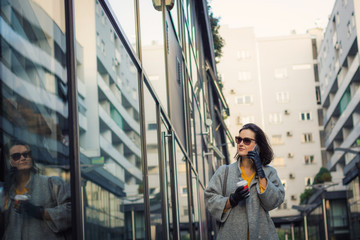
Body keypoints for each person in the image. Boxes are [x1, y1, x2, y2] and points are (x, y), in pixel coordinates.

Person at [205, 123, 285, 240]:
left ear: (258, 146)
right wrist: (231, 200)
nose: (241, 143)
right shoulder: (224, 172)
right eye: (239, 139)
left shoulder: (269, 172)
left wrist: (261, 173)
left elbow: (274, 201)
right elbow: (209, 200)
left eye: (247, 141)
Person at [1, 140, 71, 239]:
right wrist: (7, 187)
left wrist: (40, 212)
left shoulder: (52, 183)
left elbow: (71, 212)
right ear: (10, 161)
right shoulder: (6, 191)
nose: (23, 158)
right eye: (16, 156)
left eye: (26, 154)